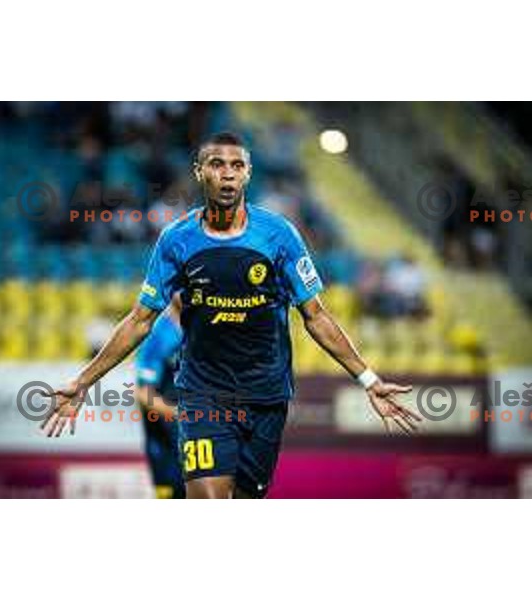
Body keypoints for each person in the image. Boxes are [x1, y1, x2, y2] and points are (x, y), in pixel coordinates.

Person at [41, 131, 421, 499]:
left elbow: (316, 316)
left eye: (237, 165)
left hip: (266, 398)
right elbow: (141, 320)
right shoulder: (176, 239)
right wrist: (84, 381)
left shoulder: (279, 235)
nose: (227, 173)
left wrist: (369, 379)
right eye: (217, 164)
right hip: (203, 395)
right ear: (199, 172)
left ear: (248, 174)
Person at [134, 299, 185, 499]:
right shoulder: (157, 333)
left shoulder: (204, 328)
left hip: (198, 437)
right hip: (166, 443)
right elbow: (142, 393)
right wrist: (180, 415)